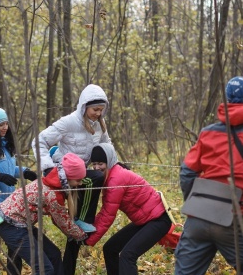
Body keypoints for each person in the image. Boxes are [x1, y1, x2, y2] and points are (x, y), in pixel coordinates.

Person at [32, 84, 112, 274]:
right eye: (95, 109)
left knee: (74, 236)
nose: (98, 113)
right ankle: (81, 220)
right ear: (84, 106)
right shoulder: (68, 122)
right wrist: (48, 167)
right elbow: (39, 141)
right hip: (64, 173)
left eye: (101, 110)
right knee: (95, 179)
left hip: (80, 173)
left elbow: (107, 144)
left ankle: (69, 260)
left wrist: (115, 163)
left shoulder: (99, 124)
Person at [174, 76, 243, 274]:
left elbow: (187, 172)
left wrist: (195, 202)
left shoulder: (207, 133)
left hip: (199, 215)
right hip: (235, 217)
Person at [0, 153, 88, 275]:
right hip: (11, 227)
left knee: (54, 255)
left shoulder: (50, 183)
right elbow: (62, 221)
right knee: (44, 269)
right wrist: (82, 236)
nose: (79, 184)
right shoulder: (53, 194)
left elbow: (58, 217)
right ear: (68, 177)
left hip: (22, 225)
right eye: (78, 180)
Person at [85, 143, 171, 275]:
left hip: (159, 219)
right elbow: (104, 212)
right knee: (110, 248)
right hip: (145, 220)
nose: (96, 167)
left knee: (128, 256)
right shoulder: (110, 176)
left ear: (109, 162)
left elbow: (108, 215)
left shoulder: (115, 180)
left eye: (101, 163)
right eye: (94, 163)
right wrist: (87, 229)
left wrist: (87, 239)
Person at [0, 107, 37, 275]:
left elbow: (8, 168)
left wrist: (25, 171)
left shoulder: (5, 143)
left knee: (15, 246)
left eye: (6, 123)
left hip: (10, 204)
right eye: (0, 124)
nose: (5, 127)